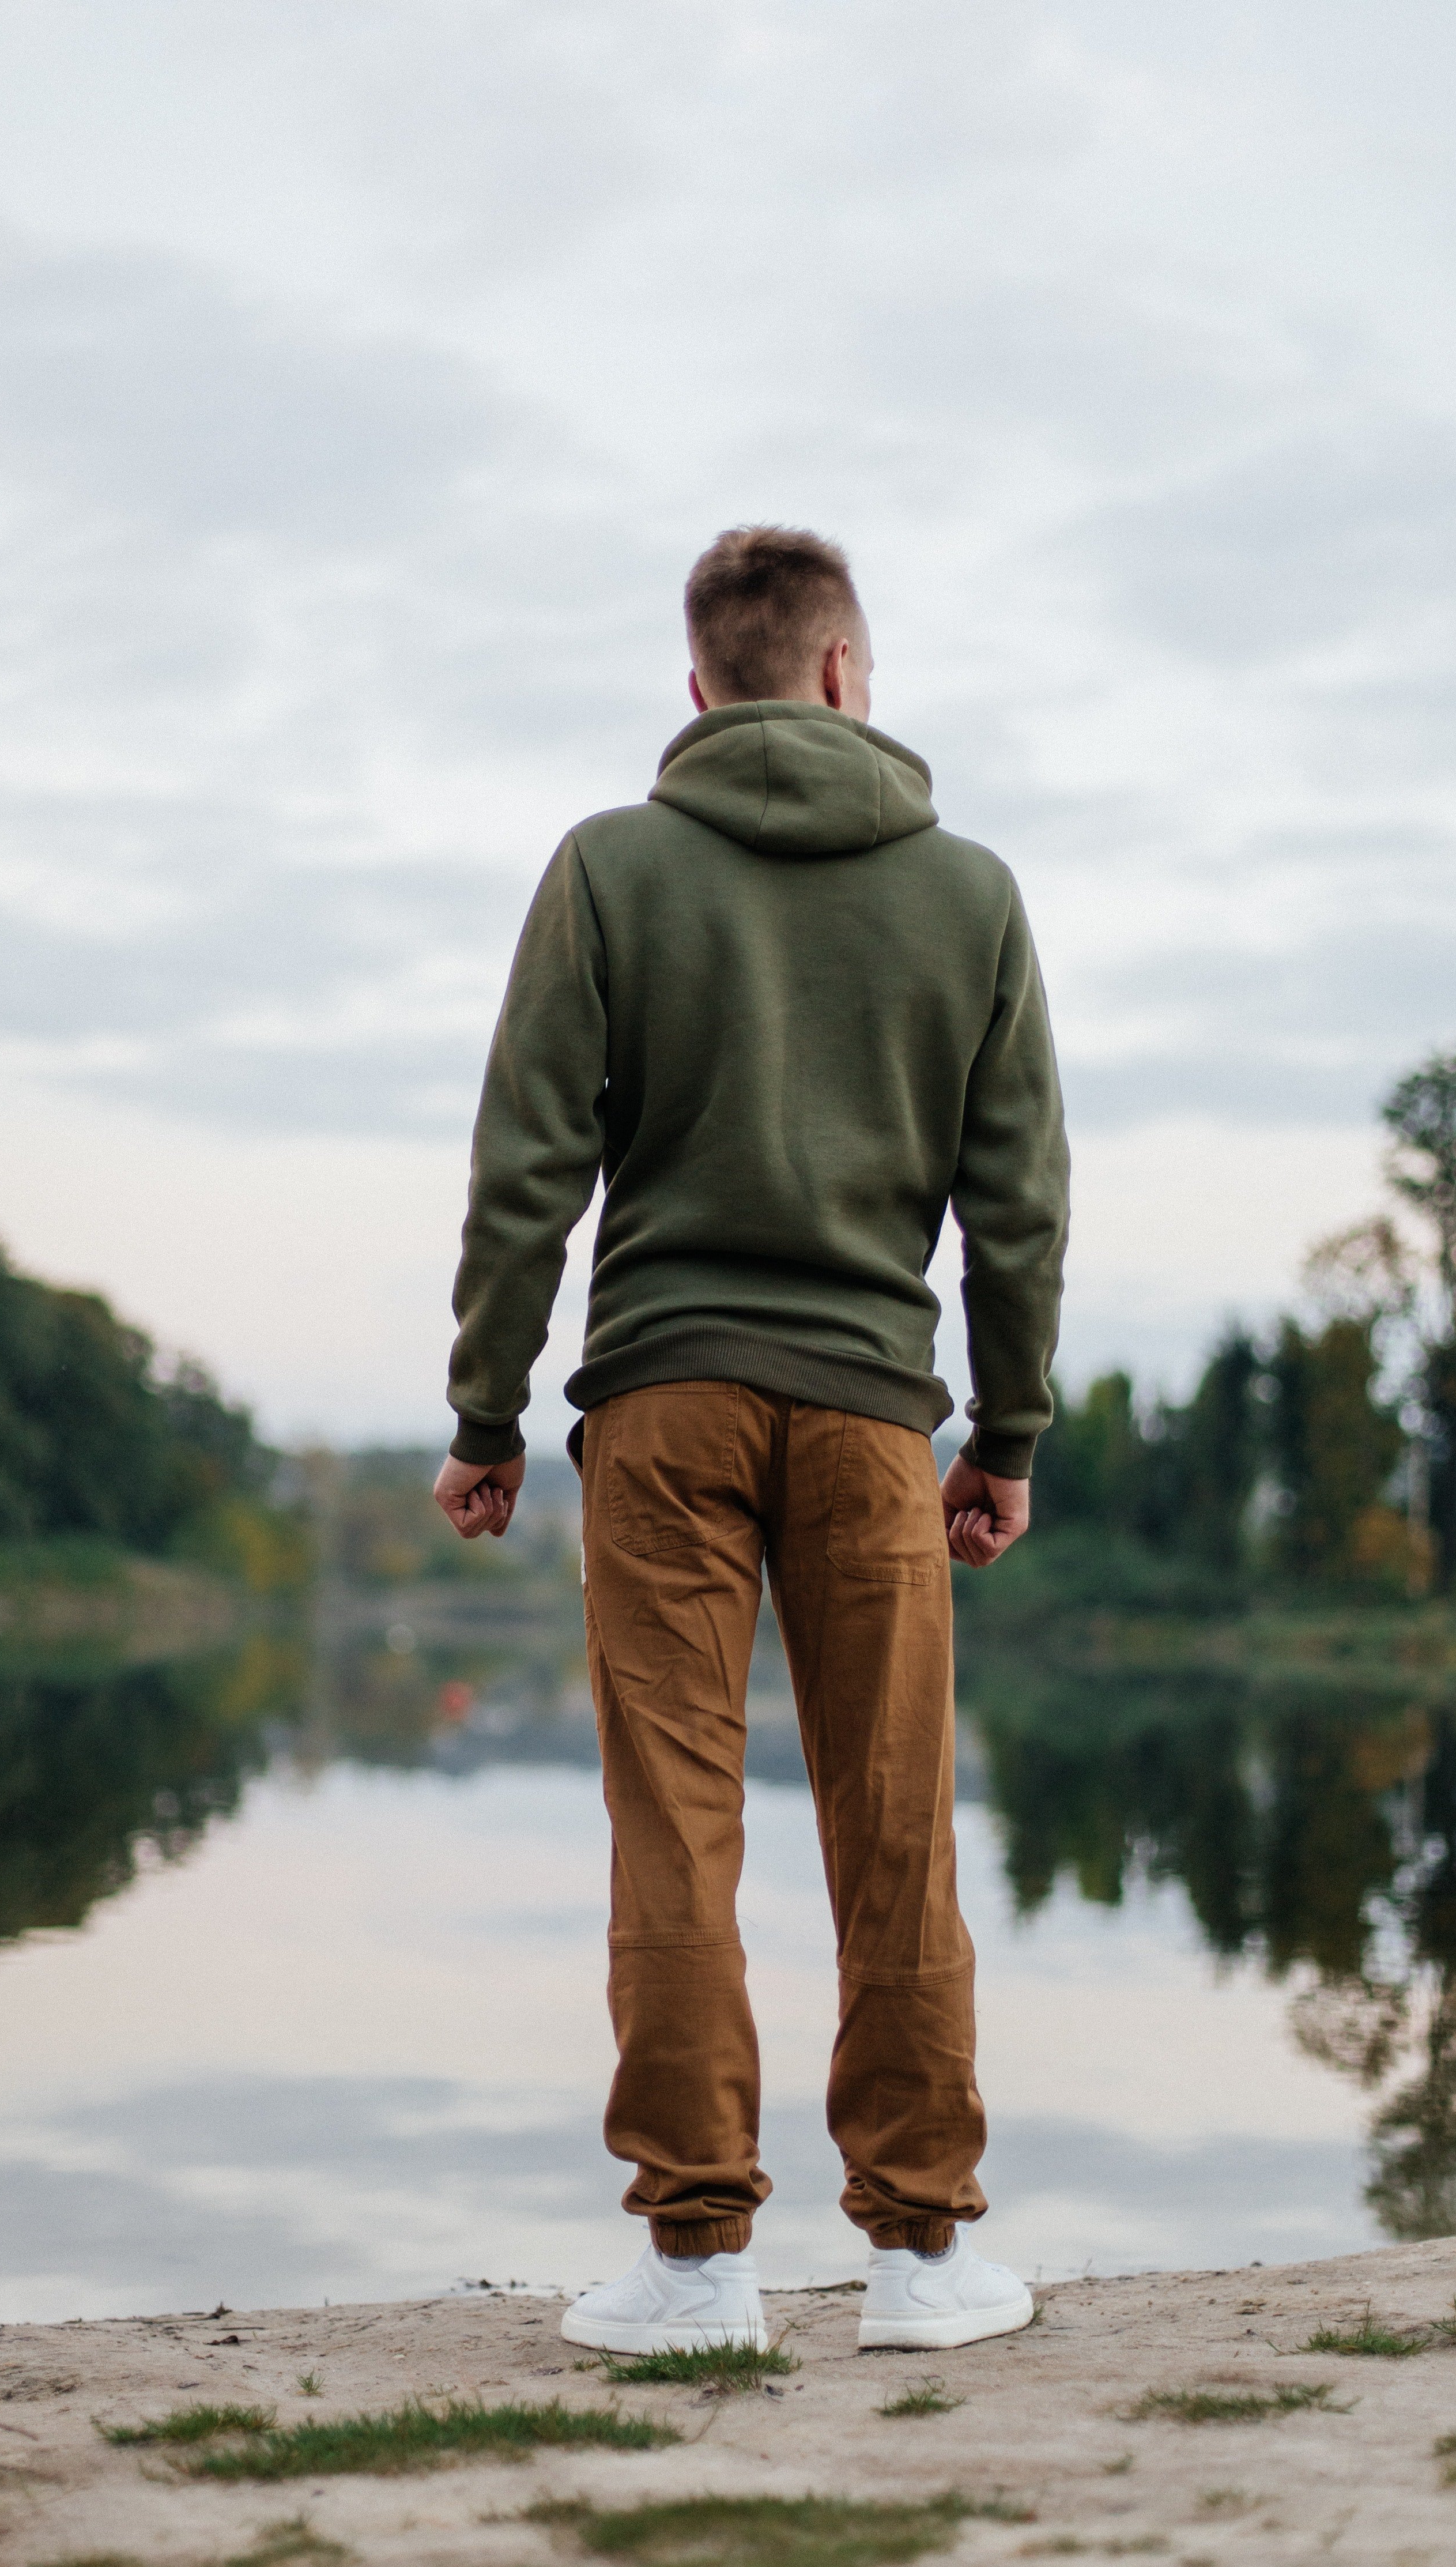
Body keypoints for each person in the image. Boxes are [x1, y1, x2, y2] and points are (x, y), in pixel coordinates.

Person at [434, 526, 1069, 2353]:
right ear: (850, 676)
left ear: (702, 691)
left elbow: (525, 1164)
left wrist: (488, 1410)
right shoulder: (975, 896)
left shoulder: (612, 868)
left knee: (676, 1827)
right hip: (878, 1415)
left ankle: (698, 2267)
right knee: (896, 1832)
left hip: (662, 1403)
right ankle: (928, 2262)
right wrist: (1004, 1435)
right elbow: (1017, 1202)